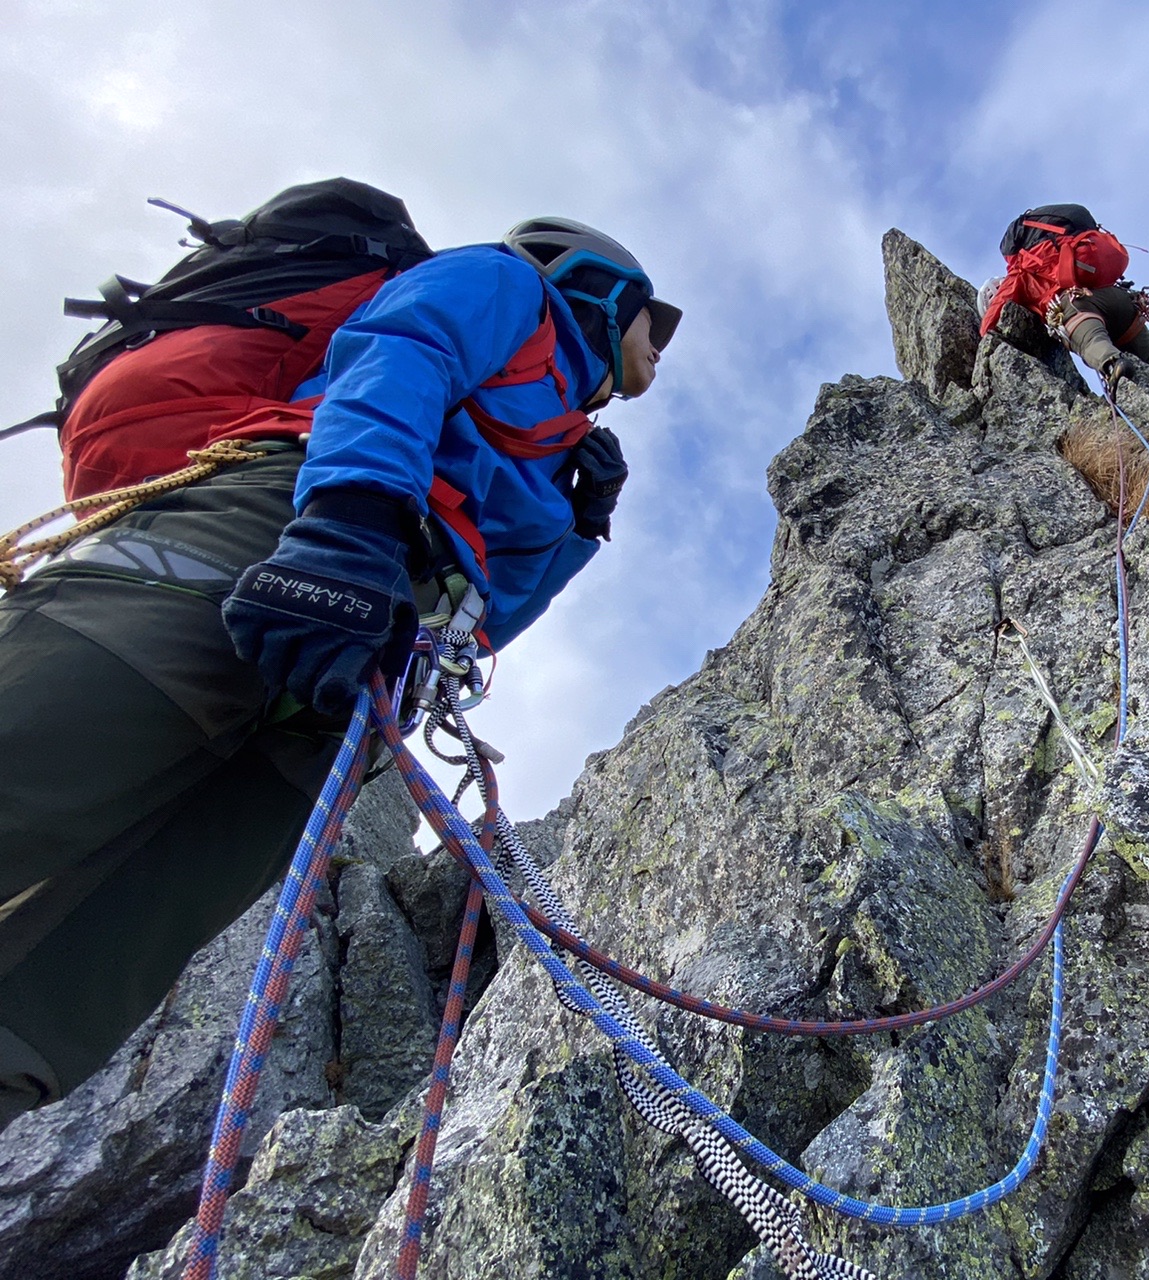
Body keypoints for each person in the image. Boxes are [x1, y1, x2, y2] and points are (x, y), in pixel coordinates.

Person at [0, 193, 680, 1125]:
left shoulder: (561, 447)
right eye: (659, 318)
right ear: (598, 285)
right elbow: (398, 353)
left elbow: (487, 619)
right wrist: (347, 523)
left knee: (68, 992)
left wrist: (575, 531)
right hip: (279, 532)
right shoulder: (507, 286)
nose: (664, 342)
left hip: (371, 669)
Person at [978, 202, 1149, 405]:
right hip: (1122, 300)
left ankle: (1111, 364)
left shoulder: (1020, 271)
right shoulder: (1058, 250)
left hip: (1079, 306)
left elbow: (998, 309)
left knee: (1090, 340)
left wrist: (983, 340)